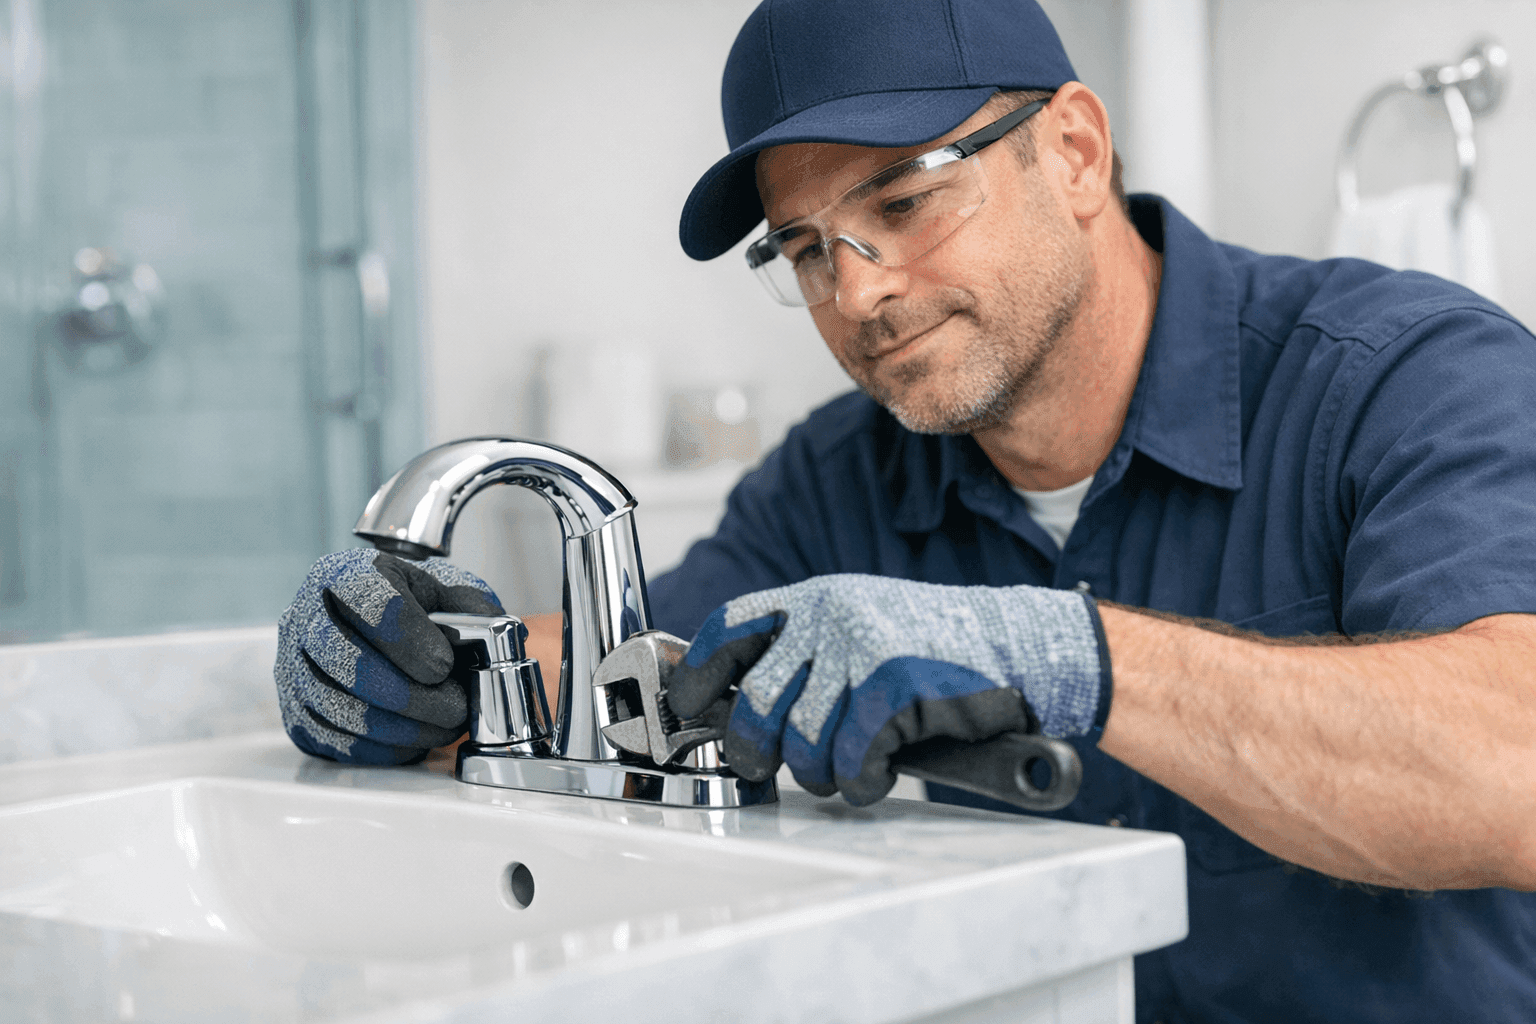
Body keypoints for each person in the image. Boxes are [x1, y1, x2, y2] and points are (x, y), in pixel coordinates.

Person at [273, 1, 1536, 1019]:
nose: (859, 292)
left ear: (1075, 152)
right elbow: (636, 675)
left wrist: (1068, 656)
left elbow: (1514, 767)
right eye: (806, 249)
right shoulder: (839, 476)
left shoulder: (1406, 379)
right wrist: (407, 666)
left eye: (904, 200)